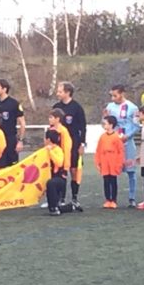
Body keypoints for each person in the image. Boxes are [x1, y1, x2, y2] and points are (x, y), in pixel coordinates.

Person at [104, 84, 140, 207]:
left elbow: (136, 126)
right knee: (112, 172)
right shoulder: (109, 107)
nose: (113, 98)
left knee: (131, 171)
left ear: (122, 94)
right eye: (111, 96)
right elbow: (105, 123)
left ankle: (132, 198)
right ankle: (112, 199)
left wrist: (127, 136)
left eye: (115, 95)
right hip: (114, 144)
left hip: (127, 142)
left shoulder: (132, 107)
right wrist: (104, 117)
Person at [54, 81, 87, 210]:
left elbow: (82, 127)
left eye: (60, 91)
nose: (58, 93)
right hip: (59, 144)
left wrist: (82, 144)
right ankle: (60, 198)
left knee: (73, 170)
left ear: (67, 93)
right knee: (60, 171)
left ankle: (74, 198)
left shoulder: (77, 108)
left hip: (74, 143)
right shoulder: (56, 107)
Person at [0, 79, 25, 166]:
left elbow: (22, 123)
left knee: (12, 166)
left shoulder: (14, 103)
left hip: (10, 139)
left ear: (4, 89)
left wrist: (20, 141)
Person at [96, 115, 125, 209]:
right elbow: (98, 150)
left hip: (113, 160)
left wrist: (119, 163)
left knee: (113, 180)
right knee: (106, 180)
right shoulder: (102, 137)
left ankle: (114, 200)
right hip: (104, 160)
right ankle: (108, 199)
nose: (104, 125)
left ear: (111, 125)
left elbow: (120, 151)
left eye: (106, 123)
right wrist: (98, 162)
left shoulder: (116, 137)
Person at [43, 129, 68, 216]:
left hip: (59, 178)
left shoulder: (58, 150)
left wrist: (50, 152)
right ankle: (58, 207)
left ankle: (54, 206)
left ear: (48, 140)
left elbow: (59, 162)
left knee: (51, 183)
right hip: (50, 177)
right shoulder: (44, 150)